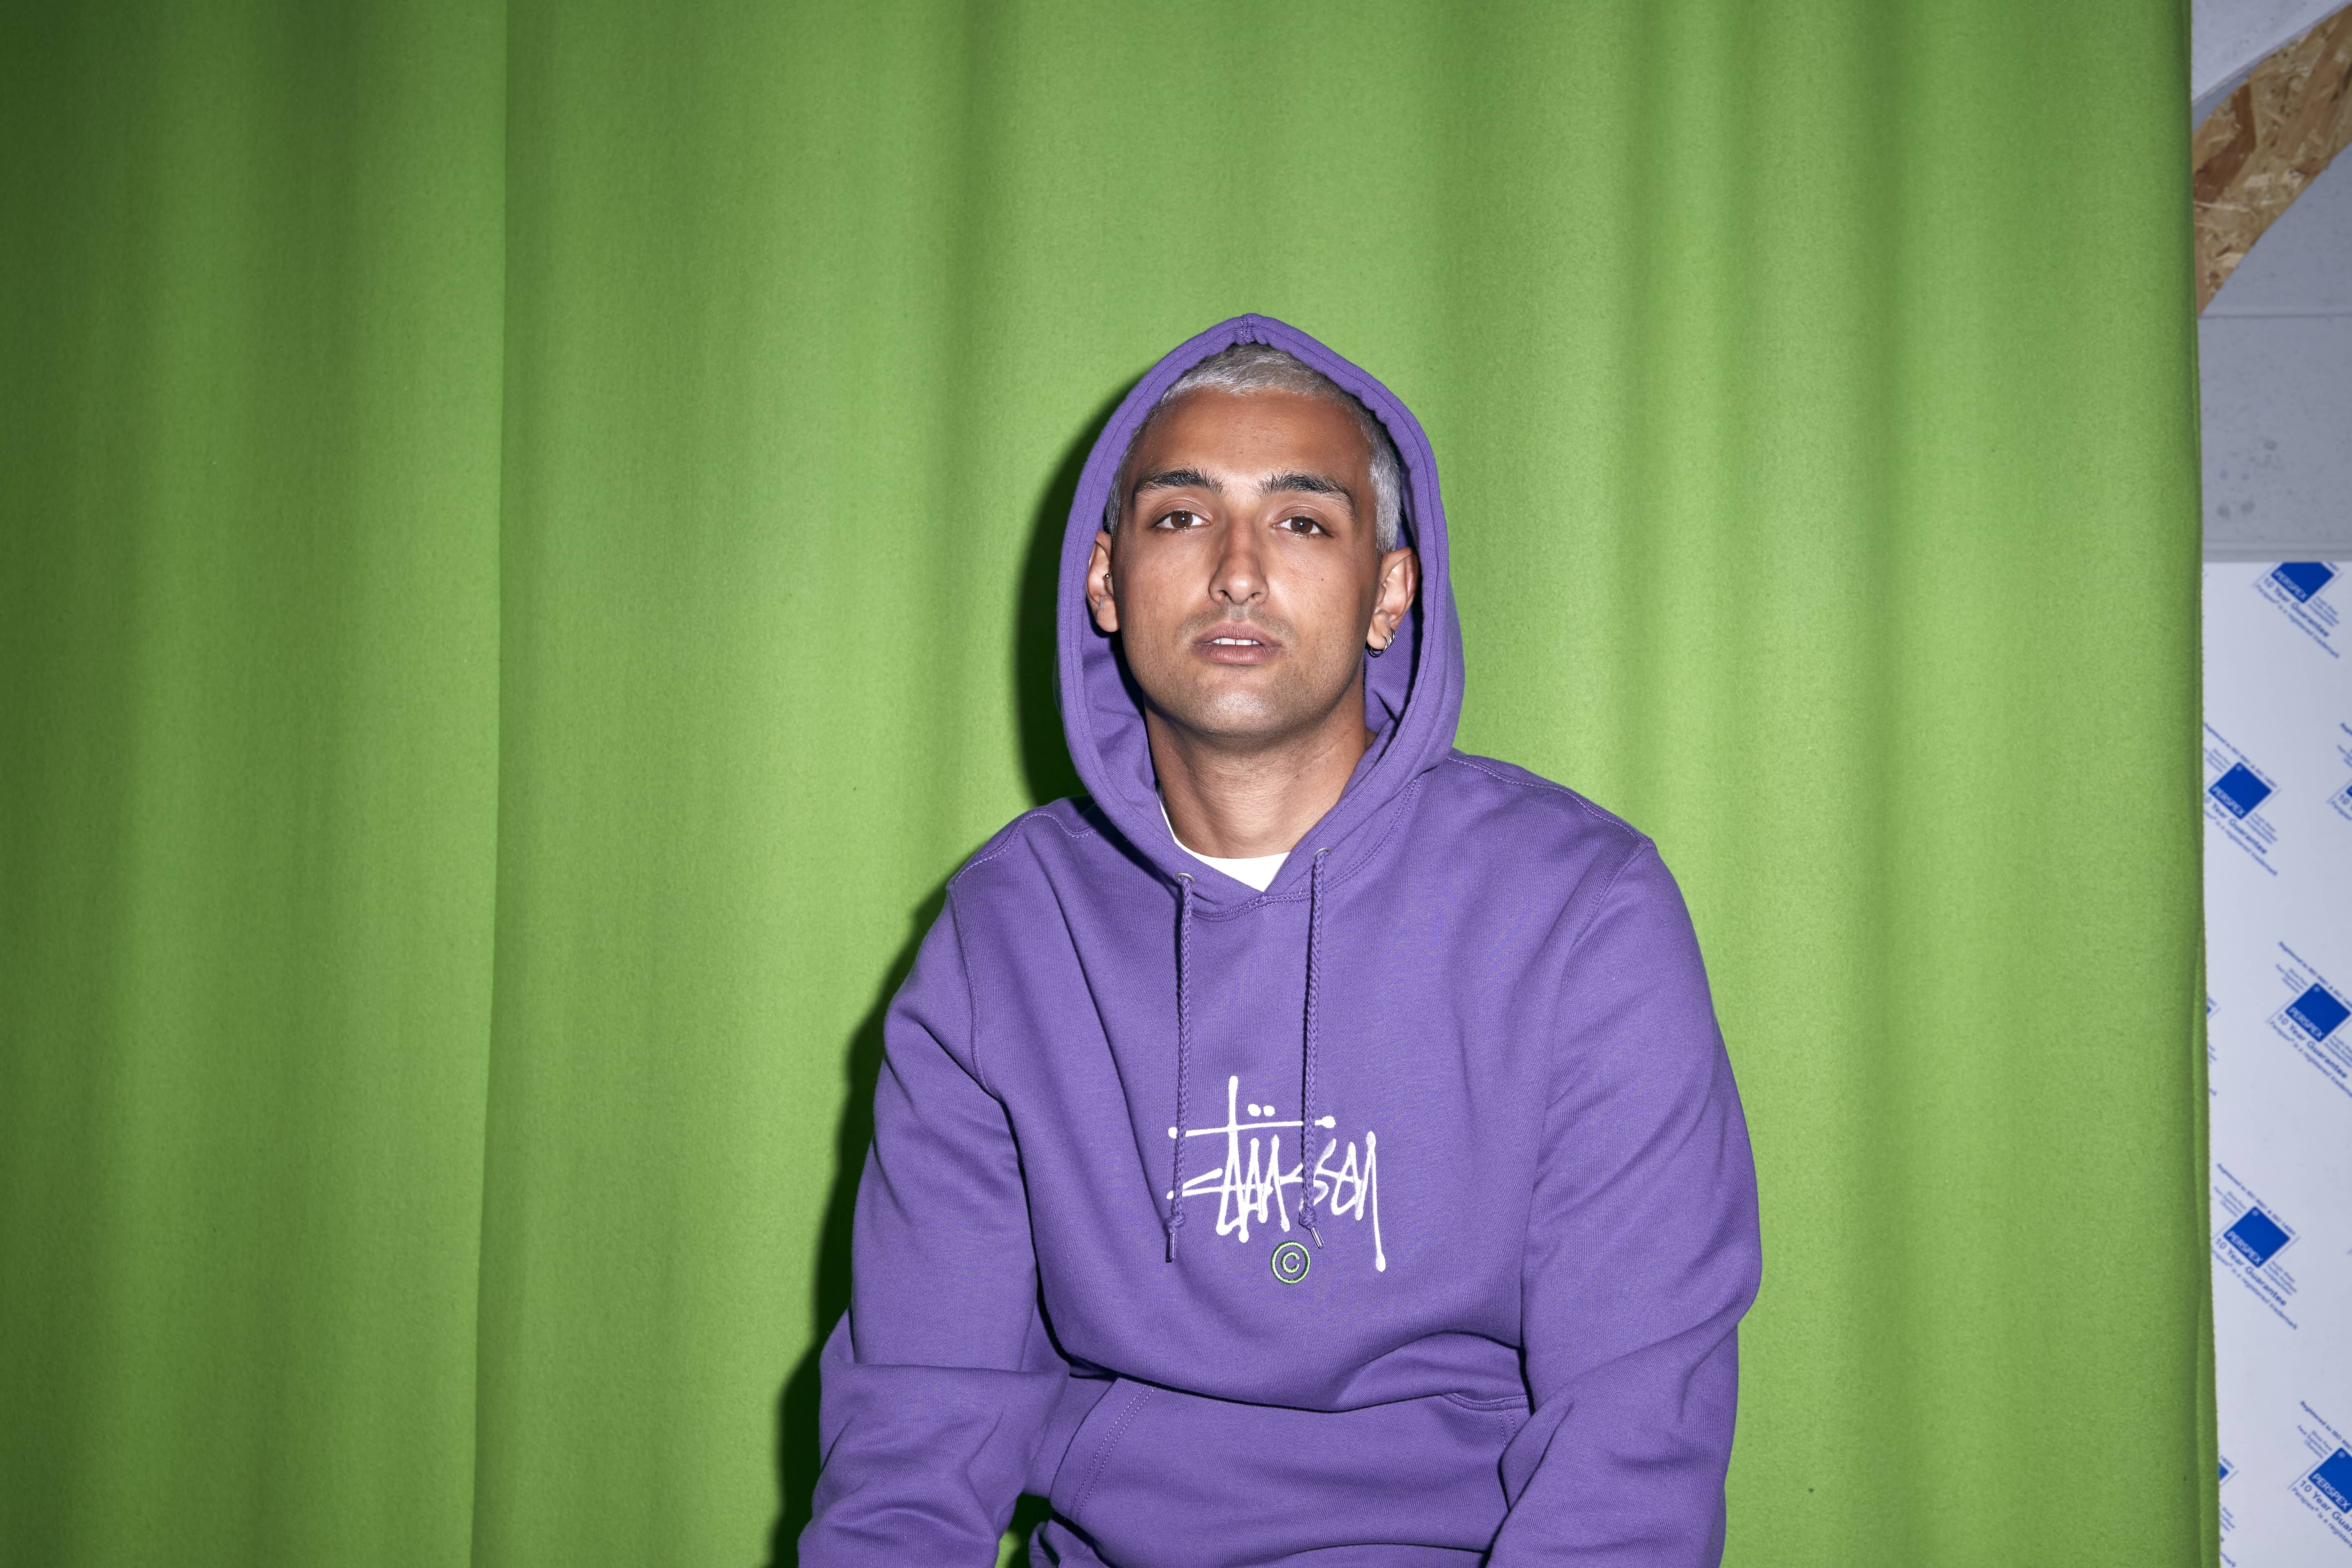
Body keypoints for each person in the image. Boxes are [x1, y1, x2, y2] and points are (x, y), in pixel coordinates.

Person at [800, 315, 1761, 1567]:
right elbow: (913, 1437)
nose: (1238, 572)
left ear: (1390, 593)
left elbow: (1632, 1450)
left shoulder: (1584, 911)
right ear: (1106, 582)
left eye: (1303, 521)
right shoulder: (1004, 935)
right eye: (1181, 516)